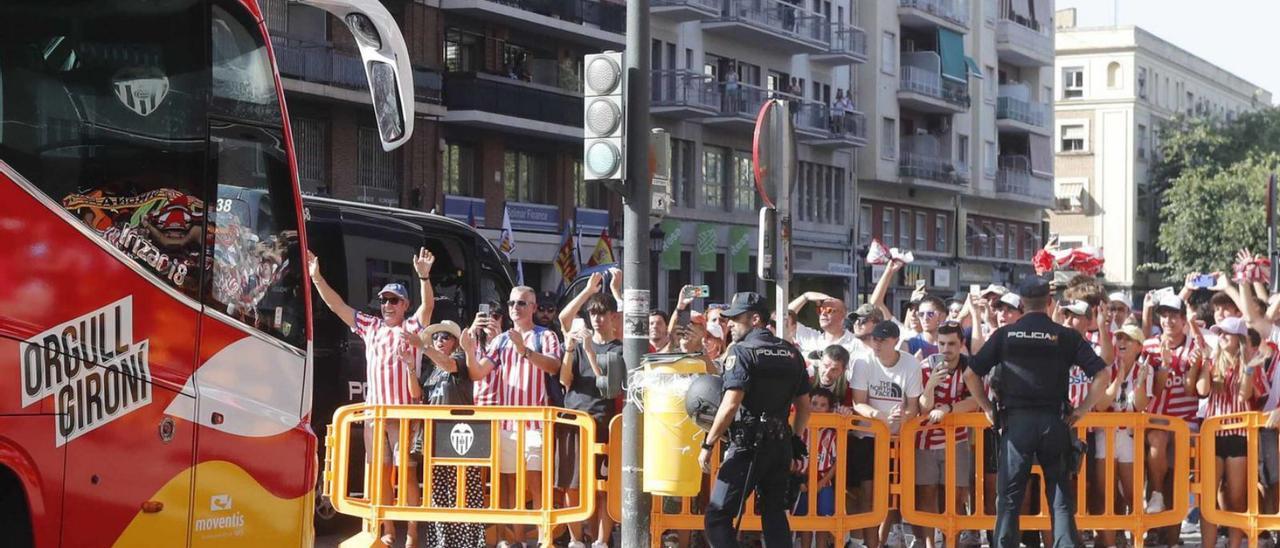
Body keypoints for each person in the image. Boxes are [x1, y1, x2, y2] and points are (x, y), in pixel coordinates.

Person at [961, 276, 1111, 548]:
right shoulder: (1064, 336)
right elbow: (1102, 373)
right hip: (1055, 421)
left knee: (1008, 498)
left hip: (1016, 424)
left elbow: (971, 373)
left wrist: (985, 407)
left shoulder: (1005, 335)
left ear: (1022, 303)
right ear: (1050, 302)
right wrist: (1082, 409)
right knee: (1060, 495)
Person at [309, 248, 435, 548]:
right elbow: (337, 305)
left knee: (407, 474)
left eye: (393, 300)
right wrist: (316, 278)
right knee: (380, 473)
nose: (387, 305)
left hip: (404, 415)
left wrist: (423, 276)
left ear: (405, 305)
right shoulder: (371, 326)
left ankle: (414, 533)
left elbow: (428, 307)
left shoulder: (412, 327)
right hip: (375, 415)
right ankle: (388, 530)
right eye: (384, 300)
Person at [699, 292, 812, 547]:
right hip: (780, 445)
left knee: (717, 516)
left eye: (736, 319)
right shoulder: (791, 353)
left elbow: (730, 405)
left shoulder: (742, 352)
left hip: (748, 445)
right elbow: (804, 407)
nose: (730, 325)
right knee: (774, 514)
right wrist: (794, 438)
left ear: (755, 319)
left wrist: (708, 444)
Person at [468, 286, 564, 548]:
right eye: (511, 303)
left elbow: (554, 366)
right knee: (510, 482)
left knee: (535, 482)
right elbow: (478, 373)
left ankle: (545, 538)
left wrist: (525, 351)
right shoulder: (500, 341)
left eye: (522, 303)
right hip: (507, 423)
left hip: (535, 422)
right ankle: (517, 539)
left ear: (533, 307)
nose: (515, 308)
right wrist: (468, 348)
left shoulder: (546, 336)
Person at [556, 283, 621, 548]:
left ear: (613, 317)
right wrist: (571, 350)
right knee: (571, 484)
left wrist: (591, 353)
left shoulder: (618, 349)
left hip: (603, 424)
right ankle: (575, 540)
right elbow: (565, 380)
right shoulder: (579, 345)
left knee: (602, 486)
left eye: (603, 313)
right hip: (573, 422)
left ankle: (602, 541)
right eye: (593, 313)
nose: (597, 318)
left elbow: (607, 387)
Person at [1195, 317, 1269, 548]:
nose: (1222, 336)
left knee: (1236, 497)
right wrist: (1206, 363)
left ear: (1239, 339)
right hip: (1212, 433)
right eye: (1220, 333)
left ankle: (1234, 545)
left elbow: (1244, 395)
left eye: (1227, 333)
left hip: (1238, 433)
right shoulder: (1212, 360)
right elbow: (1202, 390)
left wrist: (1247, 367)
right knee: (1208, 497)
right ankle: (1208, 545)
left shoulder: (1252, 363)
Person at [851, 320, 923, 548]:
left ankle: (880, 541)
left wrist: (904, 417)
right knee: (867, 494)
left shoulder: (911, 364)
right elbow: (858, 402)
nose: (876, 343)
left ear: (895, 341)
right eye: (874, 338)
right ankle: (867, 543)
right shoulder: (863, 361)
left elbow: (913, 406)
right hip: (868, 437)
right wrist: (880, 417)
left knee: (893, 495)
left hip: (897, 440)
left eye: (882, 339)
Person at [418, 320, 484, 548]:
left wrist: (423, 347)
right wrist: (409, 365)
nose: (439, 341)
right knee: (438, 491)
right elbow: (417, 393)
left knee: (463, 489)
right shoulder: (430, 369)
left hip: (460, 436)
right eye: (436, 337)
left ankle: (468, 542)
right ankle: (441, 542)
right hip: (435, 435)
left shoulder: (459, 360)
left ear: (455, 342)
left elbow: (449, 365)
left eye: (445, 337)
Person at [914, 323, 978, 548]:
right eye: (941, 343)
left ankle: (951, 542)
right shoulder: (923, 366)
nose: (946, 348)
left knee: (957, 496)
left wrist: (948, 410)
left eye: (951, 344)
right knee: (926, 494)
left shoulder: (969, 368)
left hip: (957, 440)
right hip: (925, 440)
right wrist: (930, 385)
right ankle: (931, 544)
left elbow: (975, 402)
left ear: (961, 344)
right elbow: (922, 408)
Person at [1091, 324, 1151, 548]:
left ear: (1139, 346)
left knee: (1132, 492)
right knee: (1104, 492)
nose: (1122, 342)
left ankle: (1136, 540)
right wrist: (1119, 378)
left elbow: (1140, 405)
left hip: (1129, 435)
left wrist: (1141, 383)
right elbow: (1100, 404)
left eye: (1128, 339)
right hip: (1104, 433)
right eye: (1120, 338)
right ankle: (1107, 541)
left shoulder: (1146, 369)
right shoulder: (1107, 367)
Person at [793, 388, 839, 548]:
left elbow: (836, 462)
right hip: (801, 482)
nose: (817, 407)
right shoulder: (799, 430)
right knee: (804, 522)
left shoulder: (831, 434)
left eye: (822, 405)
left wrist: (822, 482)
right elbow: (791, 458)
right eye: (814, 403)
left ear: (829, 409)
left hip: (823, 484)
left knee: (823, 524)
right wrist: (797, 481)